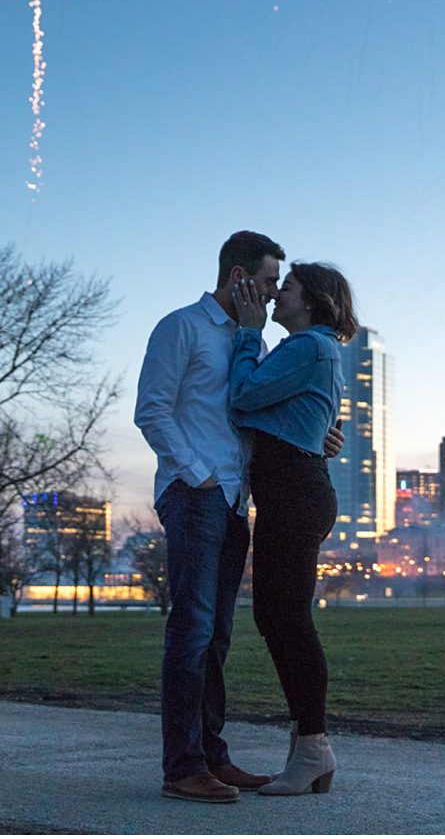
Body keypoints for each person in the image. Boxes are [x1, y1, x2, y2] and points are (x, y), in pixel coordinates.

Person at [132, 231, 341, 805]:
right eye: (271, 280)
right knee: (192, 629)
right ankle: (182, 766)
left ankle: (212, 757)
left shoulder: (251, 343)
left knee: (217, 635)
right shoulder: (182, 327)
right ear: (239, 277)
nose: (275, 294)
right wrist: (193, 471)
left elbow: (256, 411)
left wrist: (313, 435)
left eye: (282, 285)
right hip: (196, 493)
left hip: (235, 501)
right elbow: (151, 409)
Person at [227, 261, 357, 797]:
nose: (278, 293)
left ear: (314, 299)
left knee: (289, 621)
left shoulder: (309, 347)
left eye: (289, 287)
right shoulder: (315, 349)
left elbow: (243, 397)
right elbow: (304, 415)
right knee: (276, 617)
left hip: (295, 494)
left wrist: (247, 334)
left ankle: (313, 747)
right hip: (292, 492)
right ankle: (305, 744)